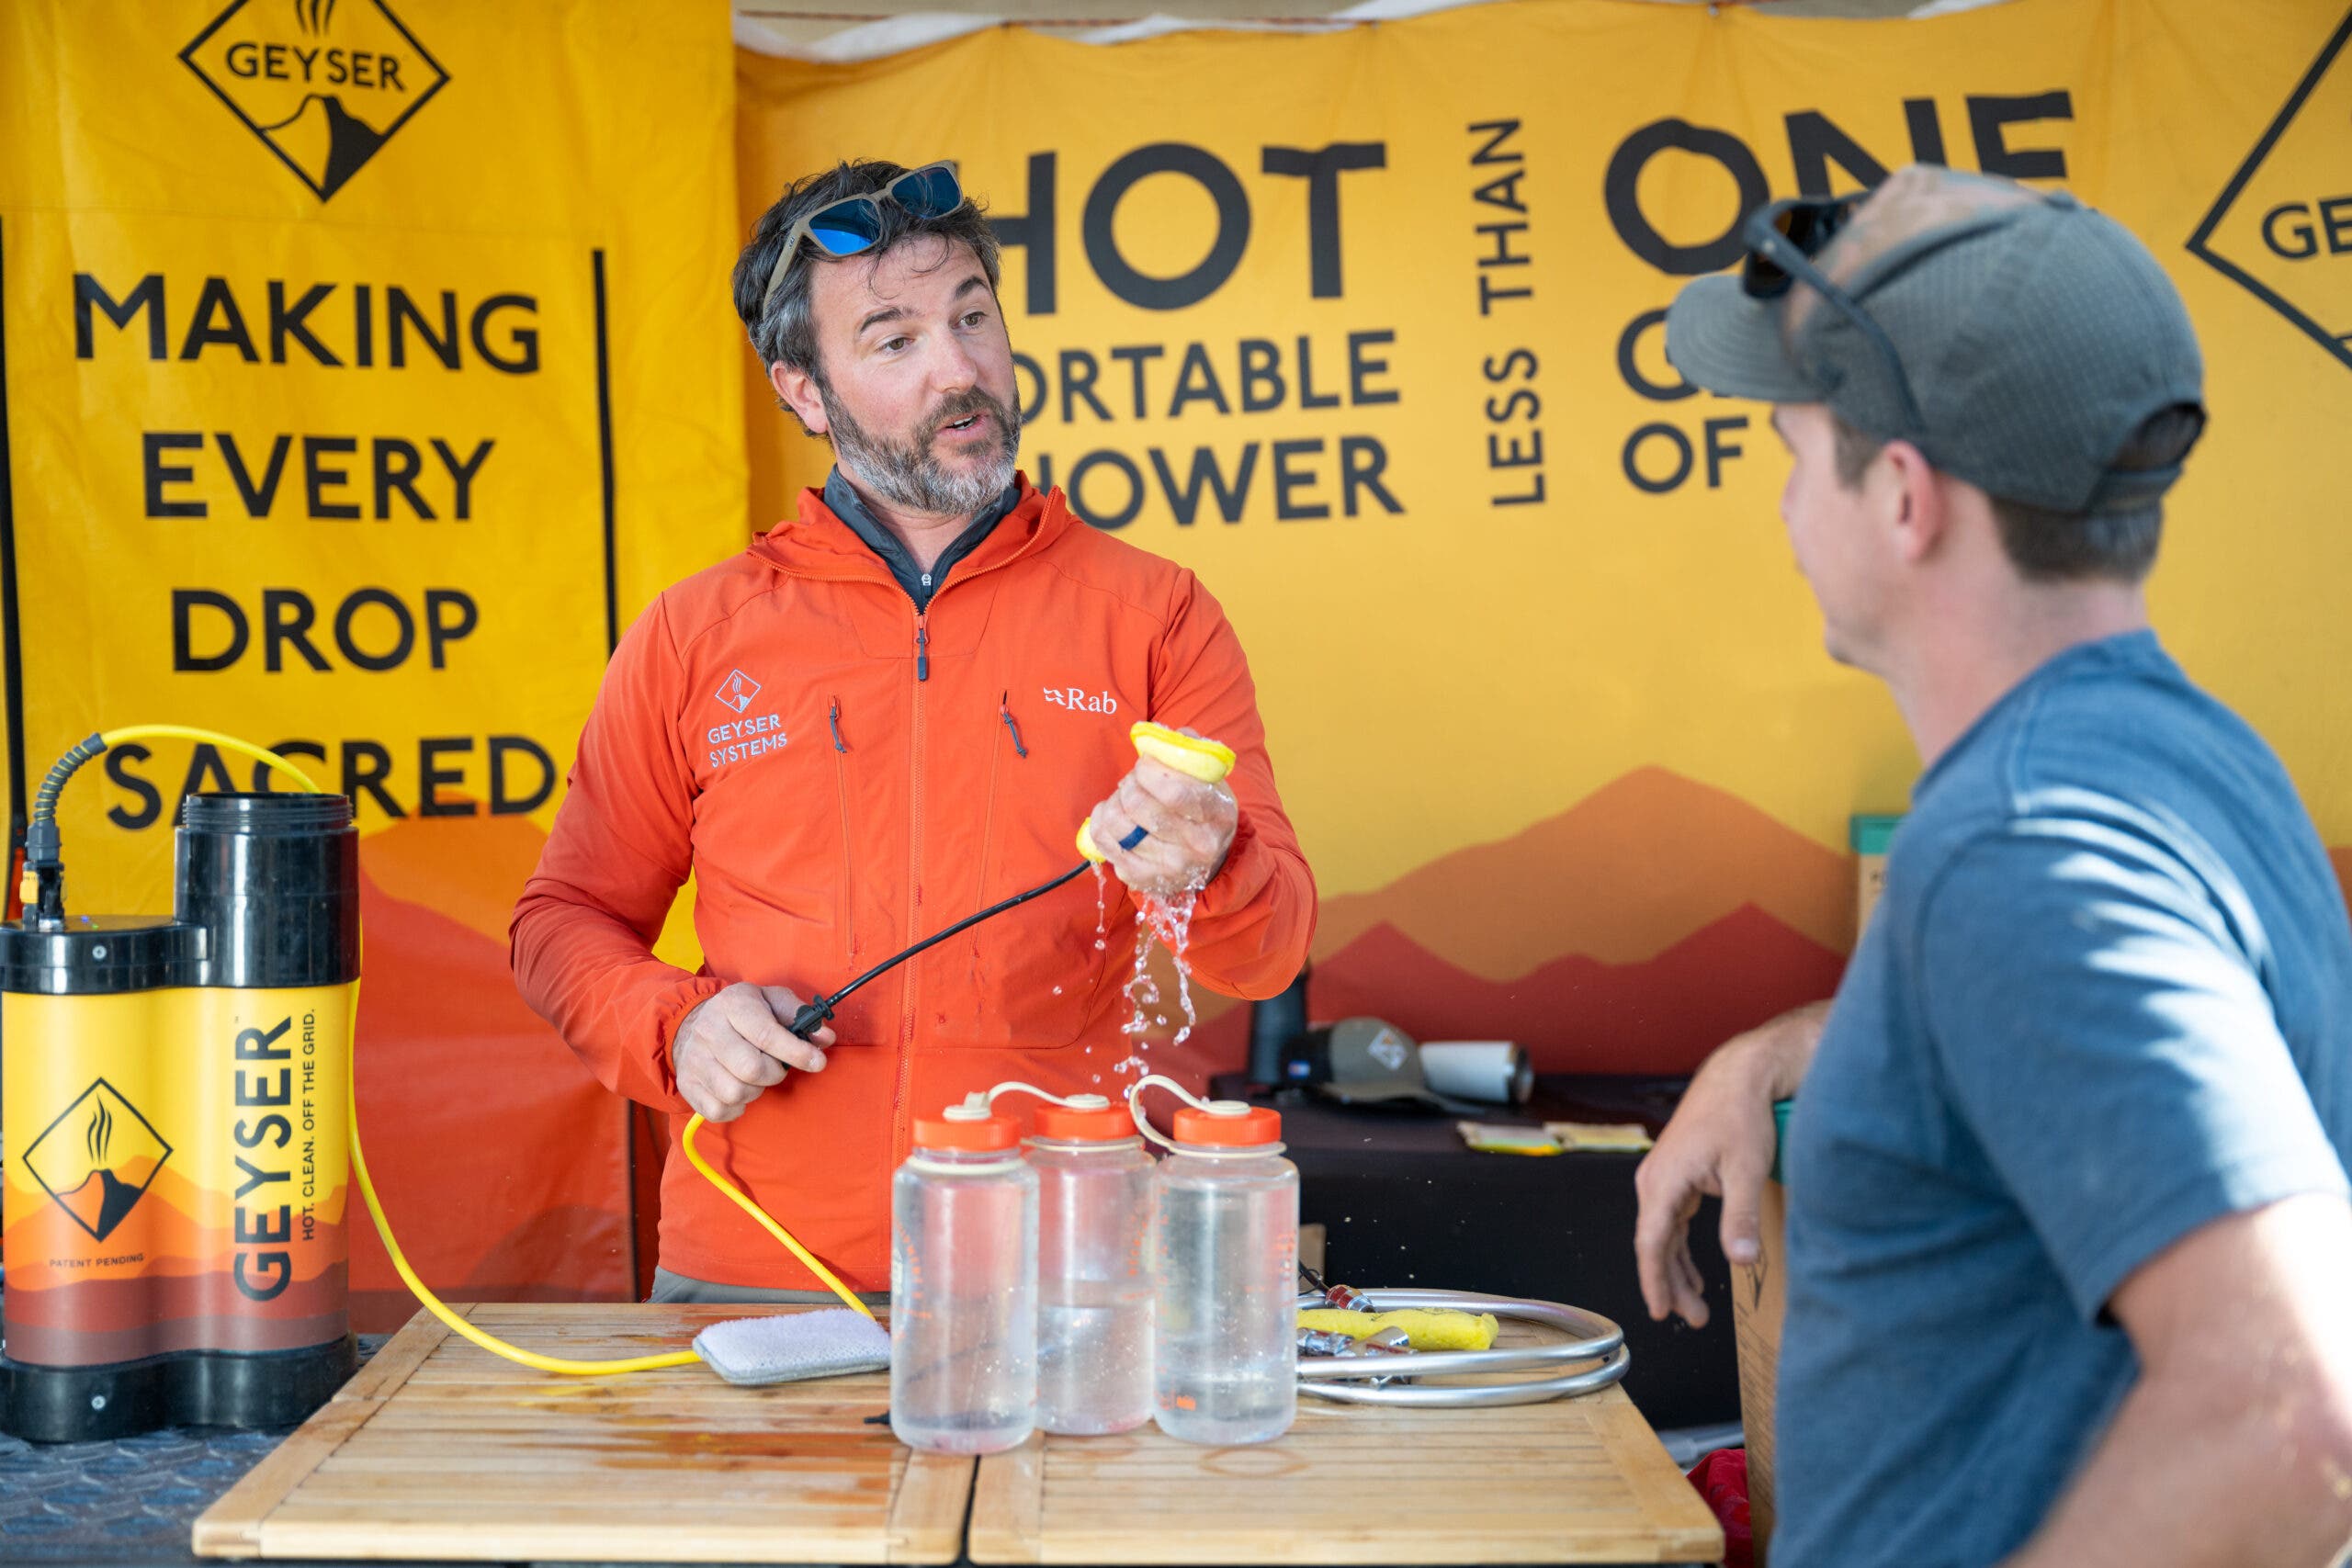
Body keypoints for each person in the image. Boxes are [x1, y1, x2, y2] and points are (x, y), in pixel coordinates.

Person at [1636, 164, 2352, 1566]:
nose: (1783, 508)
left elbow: (2293, 1403)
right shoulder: (2194, 762)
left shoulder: (2027, 840)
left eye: (1796, 454)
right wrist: (1787, 1048)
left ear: (1905, 498)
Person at [511, 159, 1316, 1303]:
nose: (959, 370)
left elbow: (1267, 952)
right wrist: (674, 1028)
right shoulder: (697, 634)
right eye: (894, 341)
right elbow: (563, 922)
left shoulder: (1155, 615)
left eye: (972, 319)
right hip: (759, 1268)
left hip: (1060, 1268)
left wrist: (1212, 864)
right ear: (804, 391)